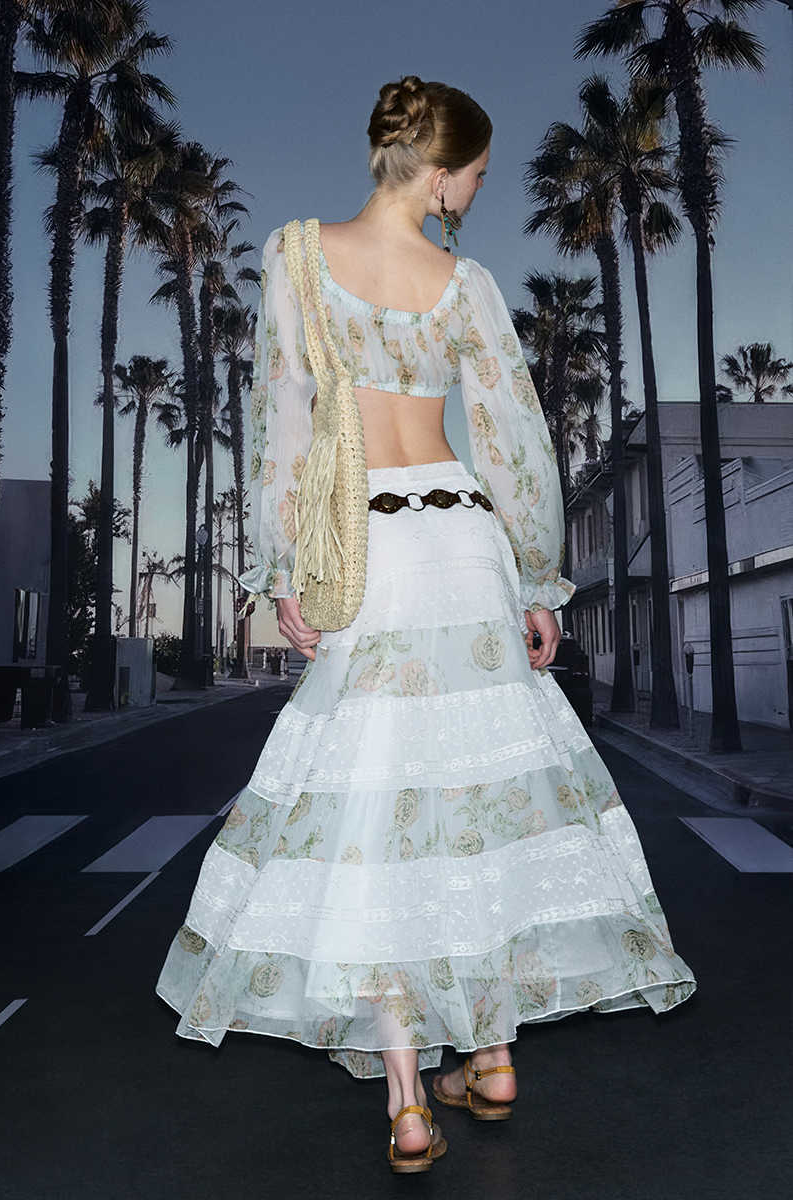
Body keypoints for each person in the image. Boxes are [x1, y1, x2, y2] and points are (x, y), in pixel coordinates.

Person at [155, 74, 697, 1173]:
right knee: (481, 796)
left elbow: (285, 423)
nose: (476, 196)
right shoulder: (466, 283)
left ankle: (410, 1100)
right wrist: (538, 582)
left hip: (370, 549)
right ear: (442, 171)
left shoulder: (298, 257)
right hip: (464, 544)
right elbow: (512, 442)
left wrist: (282, 570)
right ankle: (491, 1053)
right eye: (479, 177)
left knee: (381, 809)